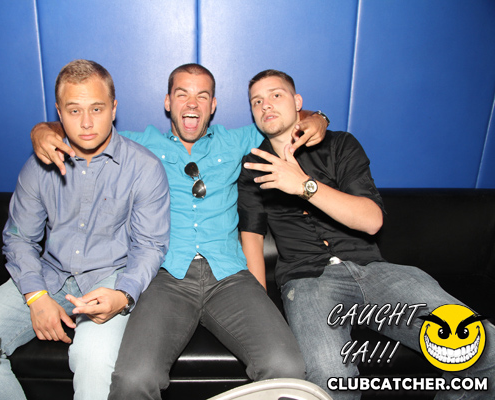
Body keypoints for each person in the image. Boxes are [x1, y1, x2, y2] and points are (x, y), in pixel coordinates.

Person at [30, 63, 329, 399]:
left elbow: (289, 121)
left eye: (202, 96)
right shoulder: (139, 144)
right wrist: (42, 130)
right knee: (133, 379)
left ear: (213, 105)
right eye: (182, 94)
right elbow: (84, 127)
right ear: (167, 102)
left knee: (286, 367)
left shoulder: (235, 141)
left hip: (229, 277)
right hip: (165, 278)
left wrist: (319, 118)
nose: (192, 103)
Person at [238, 69, 495, 399]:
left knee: (482, 348)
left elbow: (372, 221)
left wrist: (304, 185)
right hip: (307, 281)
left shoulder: (340, 144)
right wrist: (261, 310)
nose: (266, 105)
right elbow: (252, 239)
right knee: (330, 376)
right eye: (257, 101)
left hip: (374, 271)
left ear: (297, 101)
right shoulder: (253, 168)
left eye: (276, 95)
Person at [0, 60, 170, 400]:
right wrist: (36, 296)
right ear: (59, 112)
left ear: (114, 109)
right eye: (74, 110)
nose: (86, 123)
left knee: (93, 357)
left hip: (108, 278)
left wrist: (123, 295)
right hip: (49, 275)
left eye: (97, 108)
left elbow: (150, 246)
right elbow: (19, 238)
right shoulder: (38, 167)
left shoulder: (144, 168)